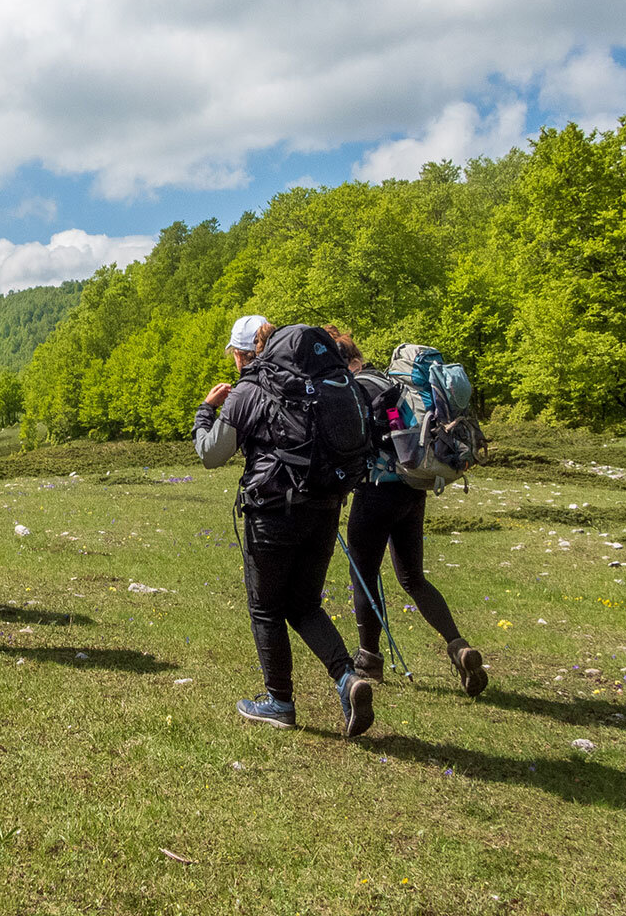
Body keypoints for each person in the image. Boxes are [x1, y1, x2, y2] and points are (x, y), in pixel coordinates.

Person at [193, 315, 375, 737]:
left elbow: (211, 453)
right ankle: (348, 679)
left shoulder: (250, 389)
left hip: (273, 511)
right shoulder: (321, 381)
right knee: (305, 603)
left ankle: (280, 702)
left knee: (266, 608)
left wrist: (206, 410)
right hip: (327, 505)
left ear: (240, 355)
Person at [328, 327, 487, 697]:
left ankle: (369, 659)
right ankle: (457, 645)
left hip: (376, 493)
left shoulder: (361, 387)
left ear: (350, 362)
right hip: (413, 489)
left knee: (364, 575)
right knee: (413, 577)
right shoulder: (393, 384)